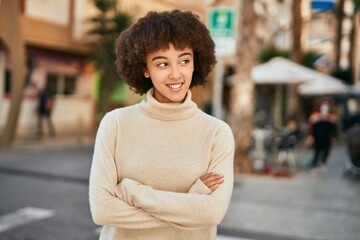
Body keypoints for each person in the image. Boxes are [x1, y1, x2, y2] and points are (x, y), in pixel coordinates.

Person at [89, 10, 235, 240]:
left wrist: (133, 192)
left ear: (195, 63)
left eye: (184, 60)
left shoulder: (217, 133)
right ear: (145, 69)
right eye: (162, 63)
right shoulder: (115, 124)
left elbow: (211, 213)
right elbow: (102, 210)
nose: (176, 74)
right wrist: (192, 200)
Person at [306, 101, 337, 174]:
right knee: (317, 152)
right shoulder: (314, 117)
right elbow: (310, 128)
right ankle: (314, 166)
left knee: (326, 151)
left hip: (327, 138)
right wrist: (310, 136)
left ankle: (322, 163)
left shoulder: (331, 118)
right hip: (317, 137)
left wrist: (334, 137)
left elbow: (334, 129)